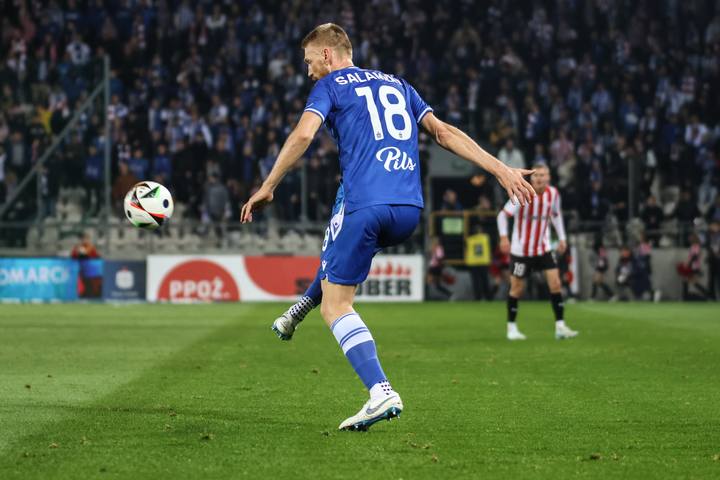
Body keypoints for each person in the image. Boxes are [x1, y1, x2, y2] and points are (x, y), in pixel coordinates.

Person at [241, 24, 535, 431]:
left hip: (368, 205)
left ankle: (380, 391)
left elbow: (304, 134)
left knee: (337, 306)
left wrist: (269, 185)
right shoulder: (398, 84)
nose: (308, 72)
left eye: (309, 62)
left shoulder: (330, 86)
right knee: (338, 231)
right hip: (408, 210)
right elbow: (443, 132)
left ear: (327, 54)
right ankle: (296, 312)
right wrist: (500, 170)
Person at [496, 164, 579, 340]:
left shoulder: (553, 194)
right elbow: (502, 215)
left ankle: (560, 327)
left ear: (548, 177)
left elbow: (556, 215)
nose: (539, 178)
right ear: (531, 178)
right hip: (521, 251)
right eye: (536, 175)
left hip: (543, 248)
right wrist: (503, 237)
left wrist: (562, 238)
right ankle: (511, 328)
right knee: (517, 288)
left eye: (543, 175)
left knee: (556, 284)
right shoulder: (522, 192)